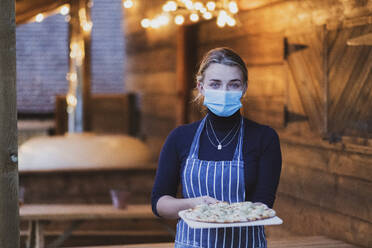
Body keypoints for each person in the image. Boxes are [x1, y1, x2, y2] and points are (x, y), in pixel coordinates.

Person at [151, 47, 282, 248]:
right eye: (215, 84)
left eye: (233, 85)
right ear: (201, 87)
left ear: (244, 88)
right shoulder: (179, 138)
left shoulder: (264, 138)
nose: (224, 92)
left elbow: (263, 204)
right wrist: (194, 204)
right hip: (192, 244)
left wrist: (225, 215)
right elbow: (159, 204)